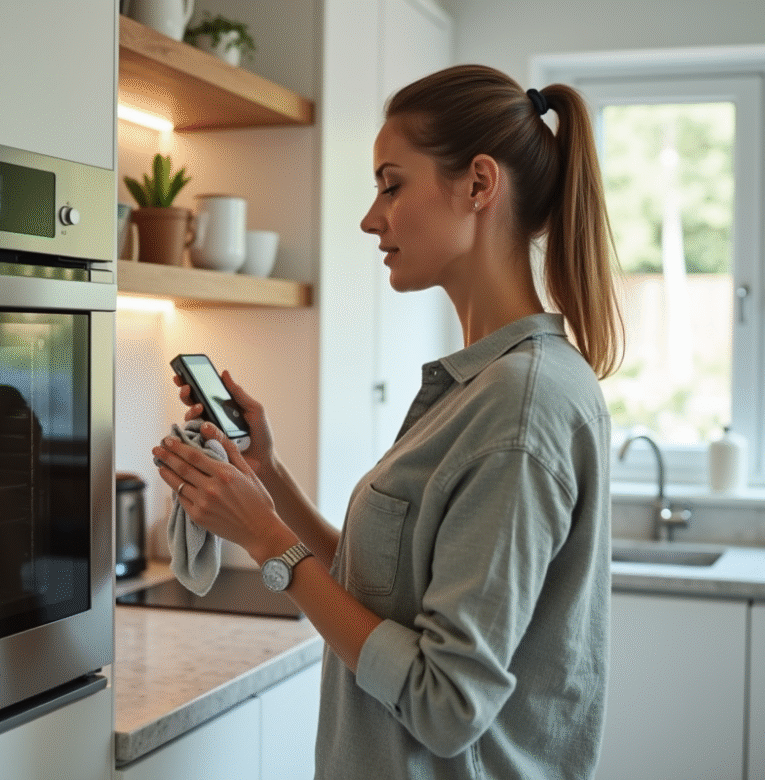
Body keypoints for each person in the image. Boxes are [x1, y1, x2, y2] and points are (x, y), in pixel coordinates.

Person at [151, 64, 624, 780]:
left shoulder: (519, 408)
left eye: (391, 184)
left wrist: (267, 539)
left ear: (478, 184)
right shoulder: (483, 385)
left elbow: (446, 704)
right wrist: (267, 479)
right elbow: (388, 594)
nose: (372, 217)